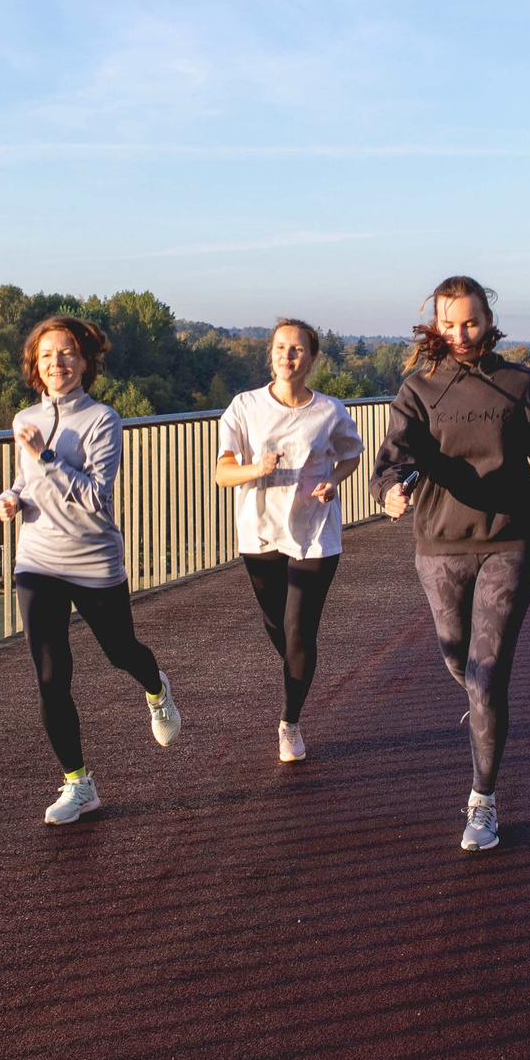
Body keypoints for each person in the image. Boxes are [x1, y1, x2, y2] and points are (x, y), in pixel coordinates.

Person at [373, 275, 530, 852]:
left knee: (487, 674)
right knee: (461, 663)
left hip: (508, 541)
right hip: (439, 545)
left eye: (471, 322)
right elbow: (391, 460)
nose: (462, 334)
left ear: (489, 320)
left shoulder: (519, 384)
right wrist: (389, 492)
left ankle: (483, 800)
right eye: (451, 324)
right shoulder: (418, 390)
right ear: (436, 326)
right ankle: (480, 704)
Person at [0, 314, 181, 825]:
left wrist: (46, 457)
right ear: (36, 363)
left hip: (93, 559)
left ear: (86, 362)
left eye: (69, 352)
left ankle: (156, 687)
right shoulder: (25, 417)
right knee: (51, 676)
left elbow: (98, 498)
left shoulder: (103, 419)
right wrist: (12, 496)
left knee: (121, 652)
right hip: (37, 559)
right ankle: (79, 784)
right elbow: (31, 480)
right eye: (48, 353)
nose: (58, 362)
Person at [215, 319, 366, 763]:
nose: (287, 355)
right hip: (260, 531)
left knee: (300, 630)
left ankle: (290, 723)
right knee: (277, 627)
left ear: (312, 358)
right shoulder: (244, 406)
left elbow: (351, 455)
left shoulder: (329, 411)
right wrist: (256, 469)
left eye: (297, 349)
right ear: (271, 355)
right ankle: (299, 667)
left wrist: (334, 481)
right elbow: (223, 473)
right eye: (280, 347)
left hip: (315, 533)